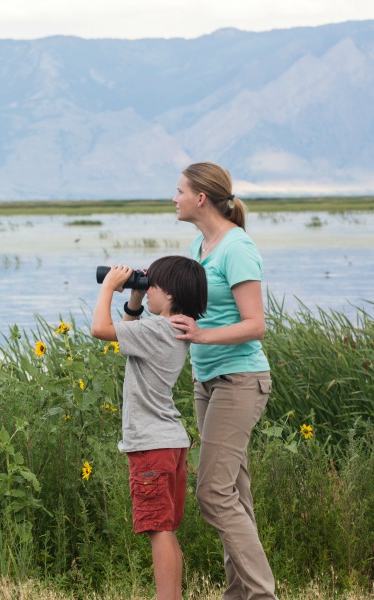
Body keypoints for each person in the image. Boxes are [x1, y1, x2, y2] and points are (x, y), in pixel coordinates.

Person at [168, 162, 277, 600]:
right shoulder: (200, 245)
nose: (172, 198)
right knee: (235, 494)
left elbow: (256, 324)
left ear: (200, 198)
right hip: (208, 380)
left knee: (213, 493)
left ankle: (263, 594)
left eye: (178, 191)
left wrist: (203, 335)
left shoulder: (236, 247)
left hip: (240, 379)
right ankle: (240, 594)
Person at [91, 257, 208, 600]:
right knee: (166, 530)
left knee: (159, 531)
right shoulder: (174, 327)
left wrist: (108, 287)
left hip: (152, 444)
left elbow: (101, 330)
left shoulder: (158, 329)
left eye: (151, 285)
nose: (147, 288)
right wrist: (135, 299)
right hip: (169, 442)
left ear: (169, 295)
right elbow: (129, 332)